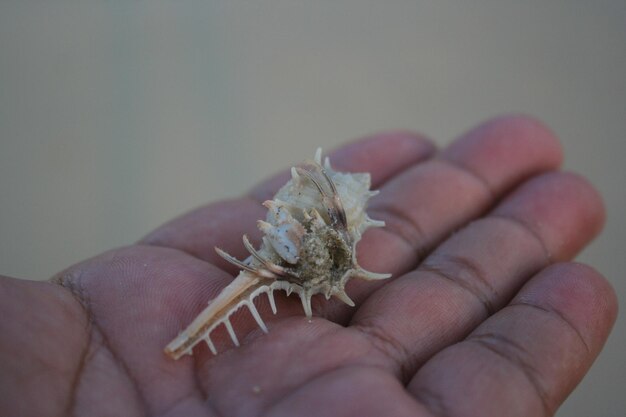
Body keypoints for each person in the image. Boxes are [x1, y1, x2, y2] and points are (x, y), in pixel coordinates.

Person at [0, 115, 617, 417]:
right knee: (260, 274)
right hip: (299, 239)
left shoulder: (333, 230)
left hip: (316, 240)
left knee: (264, 275)